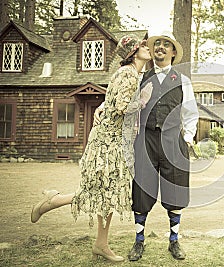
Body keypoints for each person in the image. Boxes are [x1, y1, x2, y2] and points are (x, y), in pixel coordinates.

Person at [30, 35, 153, 263]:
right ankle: (54, 201)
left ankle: (100, 244)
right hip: (107, 143)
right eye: (143, 46)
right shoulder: (128, 74)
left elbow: (111, 99)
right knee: (99, 193)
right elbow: (123, 106)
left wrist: (103, 105)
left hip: (114, 141)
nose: (148, 48)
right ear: (133, 52)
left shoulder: (132, 74)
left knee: (107, 195)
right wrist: (144, 100)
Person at [127, 31, 199, 261]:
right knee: (141, 191)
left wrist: (186, 138)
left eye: (165, 45)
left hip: (172, 141)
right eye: (156, 44)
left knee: (175, 191)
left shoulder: (183, 81)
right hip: (145, 140)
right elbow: (128, 108)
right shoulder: (141, 78)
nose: (160, 47)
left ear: (173, 52)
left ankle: (174, 241)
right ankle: (139, 241)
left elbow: (190, 112)